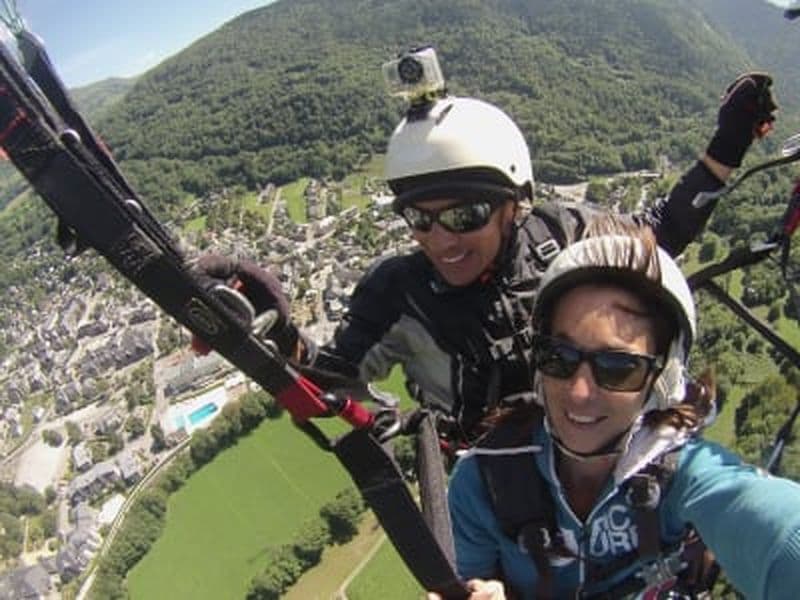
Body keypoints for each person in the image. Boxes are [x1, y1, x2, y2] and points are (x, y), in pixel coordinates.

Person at [196, 71, 777, 442]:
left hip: (597, 448)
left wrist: (724, 150)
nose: (442, 239)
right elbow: (329, 384)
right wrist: (276, 333)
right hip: (491, 486)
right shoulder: (398, 292)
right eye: (419, 219)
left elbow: (659, 235)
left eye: (465, 216)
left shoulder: (565, 233)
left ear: (513, 206)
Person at [442, 215, 800, 599]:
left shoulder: (683, 474)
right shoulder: (483, 480)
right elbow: (471, 579)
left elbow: (780, 532)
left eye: (618, 367)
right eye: (558, 356)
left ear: (663, 378)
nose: (579, 392)